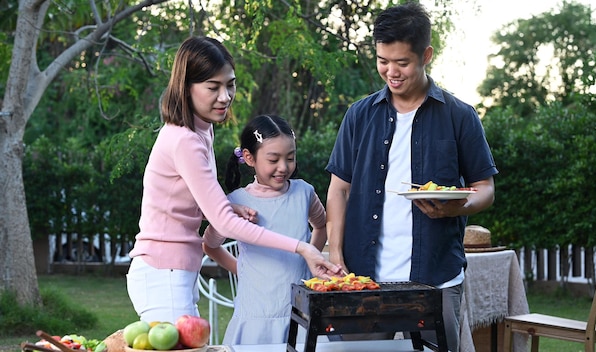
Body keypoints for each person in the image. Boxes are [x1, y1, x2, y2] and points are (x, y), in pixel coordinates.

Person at [126, 36, 340, 324]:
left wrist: (228, 207)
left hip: (176, 269)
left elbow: (181, 203)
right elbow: (224, 224)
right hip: (164, 271)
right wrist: (302, 247)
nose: (225, 96)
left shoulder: (201, 131)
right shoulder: (185, 139)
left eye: (230, 84)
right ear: (186, 87)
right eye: (213, 87)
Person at [325, 2, 498, 351]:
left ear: (426, 55)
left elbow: (485, 189)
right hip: (365, 276)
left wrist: (457, 207)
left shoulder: (460, 116)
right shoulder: (358, 116)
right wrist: (336, 255)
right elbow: (338, 191)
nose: (392, 72)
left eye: (402, 62)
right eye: (382, 61)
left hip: (436, 277)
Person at [203, 114, 327, 345]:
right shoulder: (237, 202)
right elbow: (210, 245)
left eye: (290, 158)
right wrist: (242, 268)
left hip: (302, 315)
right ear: (249, 158)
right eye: (273, 159)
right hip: (256, 316)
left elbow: (321, 224)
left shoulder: (304, 192)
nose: (283, 167)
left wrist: (309, 255)